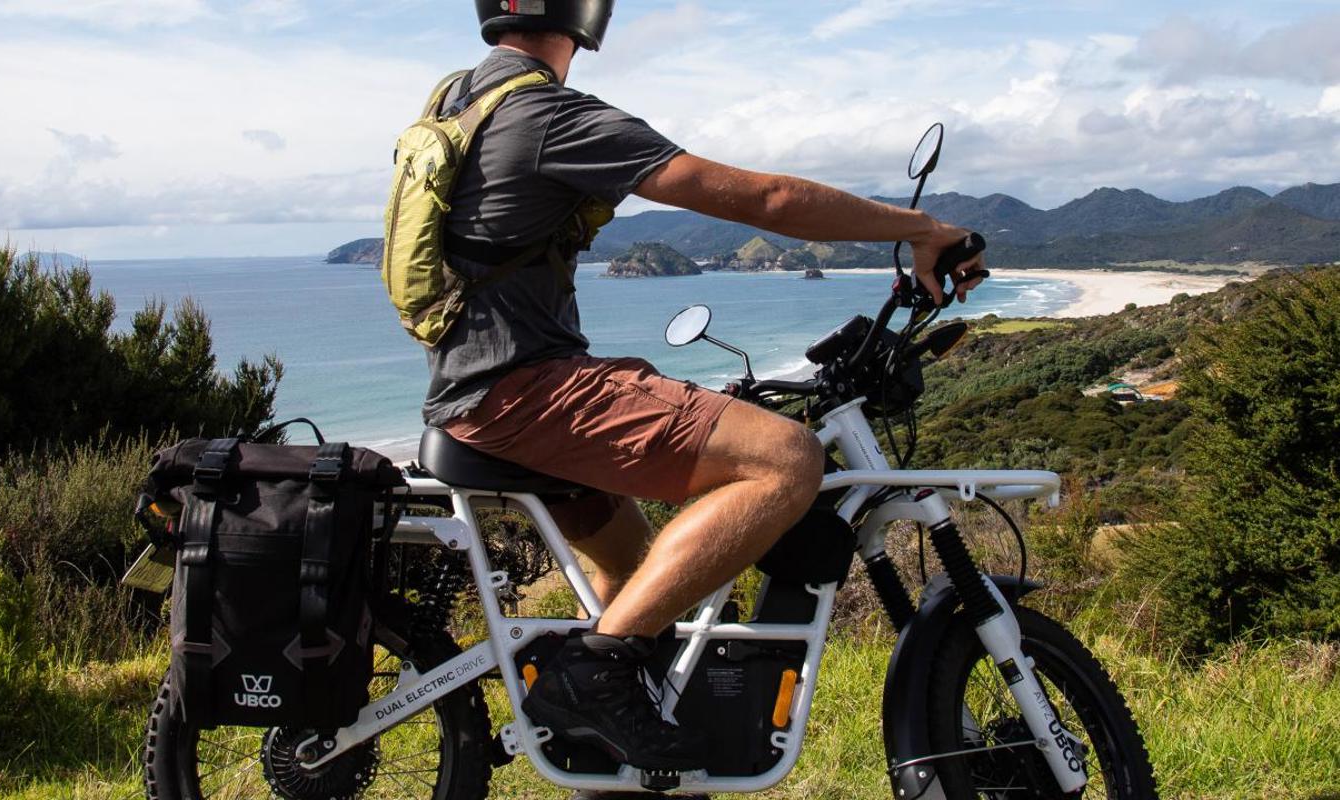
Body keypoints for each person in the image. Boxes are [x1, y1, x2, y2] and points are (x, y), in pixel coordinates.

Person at [416, 1, 985, 791]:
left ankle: (614, 745)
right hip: (524, 390)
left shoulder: (456, 104)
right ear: (583, 15)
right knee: (786, 459)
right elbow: (765, 202)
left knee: (635, 583)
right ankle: (594, 674)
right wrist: (918, 227)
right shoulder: (545, 114)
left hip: (480, 387)